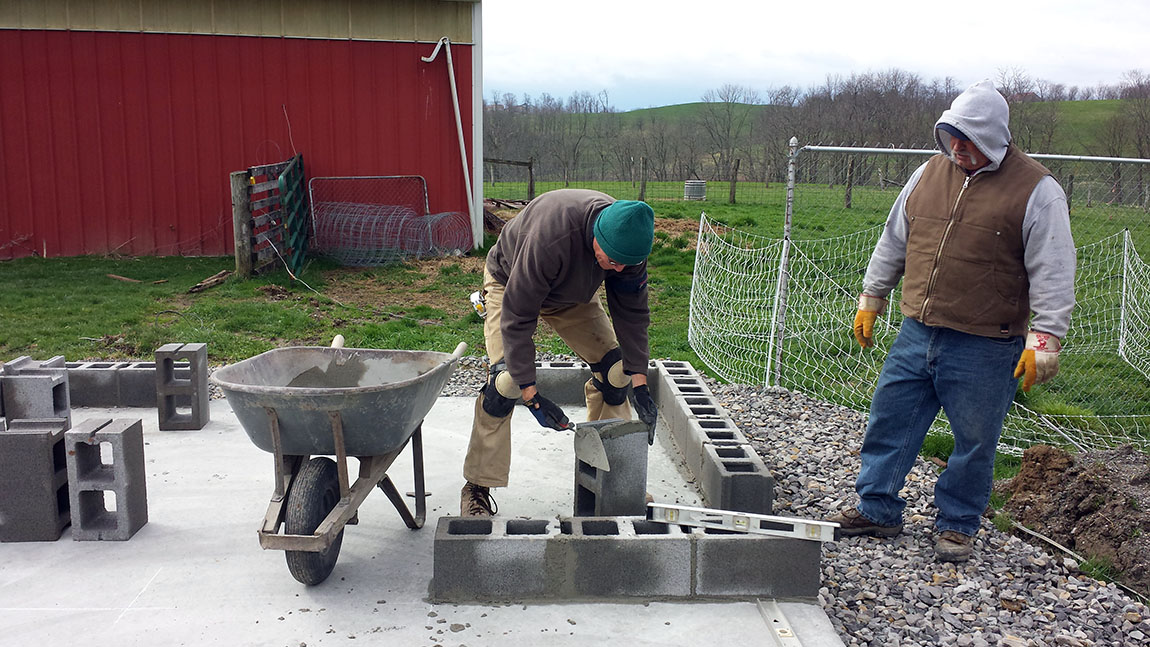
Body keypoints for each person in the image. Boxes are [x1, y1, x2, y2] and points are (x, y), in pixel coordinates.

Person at [829, 80, 1076, 562]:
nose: (958, 147)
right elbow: (894, 239)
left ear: (996, 138)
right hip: (917, 330)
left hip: (988, 343)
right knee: (890, 421)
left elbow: (1054, 267)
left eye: (969, 138)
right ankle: (877, 508)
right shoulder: (928, 174)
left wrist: (1045, 337)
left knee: (975, 440)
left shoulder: (1038, 191)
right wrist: (871, 296)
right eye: (951, 135)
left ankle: (958, 524)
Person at [460, 189, 659, 516]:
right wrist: (531, 394)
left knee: (616, 373)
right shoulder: (549, 238)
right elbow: (519, 315)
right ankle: (477, 486)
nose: (619, 269)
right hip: (510, 284)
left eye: (627, 264)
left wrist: (639, 385)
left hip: (571, 297)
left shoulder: (629, 244)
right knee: (504, 383)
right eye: (612, 261)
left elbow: (633, 315)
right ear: (597, 236)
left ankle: (608, 474)